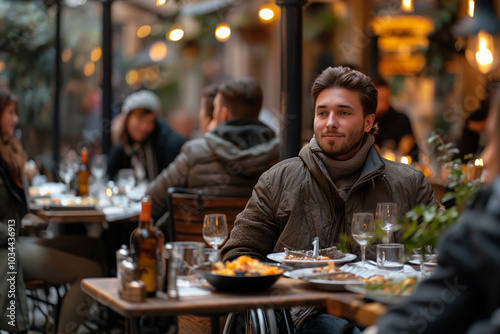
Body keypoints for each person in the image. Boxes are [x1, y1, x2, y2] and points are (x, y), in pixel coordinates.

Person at [220, 66, 438, 333]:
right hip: (300, 316)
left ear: (369, 121)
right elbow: (238, 253)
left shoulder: (410, 183)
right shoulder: (277, 179)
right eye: (322, 113)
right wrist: (292, 284)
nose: (330, 122)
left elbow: (442, 253)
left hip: (385, 312)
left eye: (343, 113)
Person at [363, 88, 500, 334]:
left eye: (492, 142)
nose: (486, 158)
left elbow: (456, 283)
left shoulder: (492, 215)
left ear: (368, 121)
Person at [0, 88, 103, 333]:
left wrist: (19, 166)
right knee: (92, 272)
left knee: (98, 248)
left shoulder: (8, 151)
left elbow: (19, 205)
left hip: (15, 239)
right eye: (11, 113)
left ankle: (53, 326)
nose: (16, 119)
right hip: (7, 247)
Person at [146, 77, 280, 221]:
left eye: (215, 108)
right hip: (255, 243)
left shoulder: (194, 153)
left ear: (224, 114)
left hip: (200, 241)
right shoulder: (279, 156)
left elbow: (151, 202)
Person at [107, 89, 186, 182]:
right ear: (127, 118)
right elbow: (108, 179)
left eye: (150, 121)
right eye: (140, 119)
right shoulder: (123, 148)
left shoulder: (168, 144)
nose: (144, 126)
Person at [372, 76, 418, 162]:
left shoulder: (401, 120)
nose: (383, 105)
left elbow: (415, 155)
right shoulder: (364, 122)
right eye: (379, 100)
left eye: (386, 100)